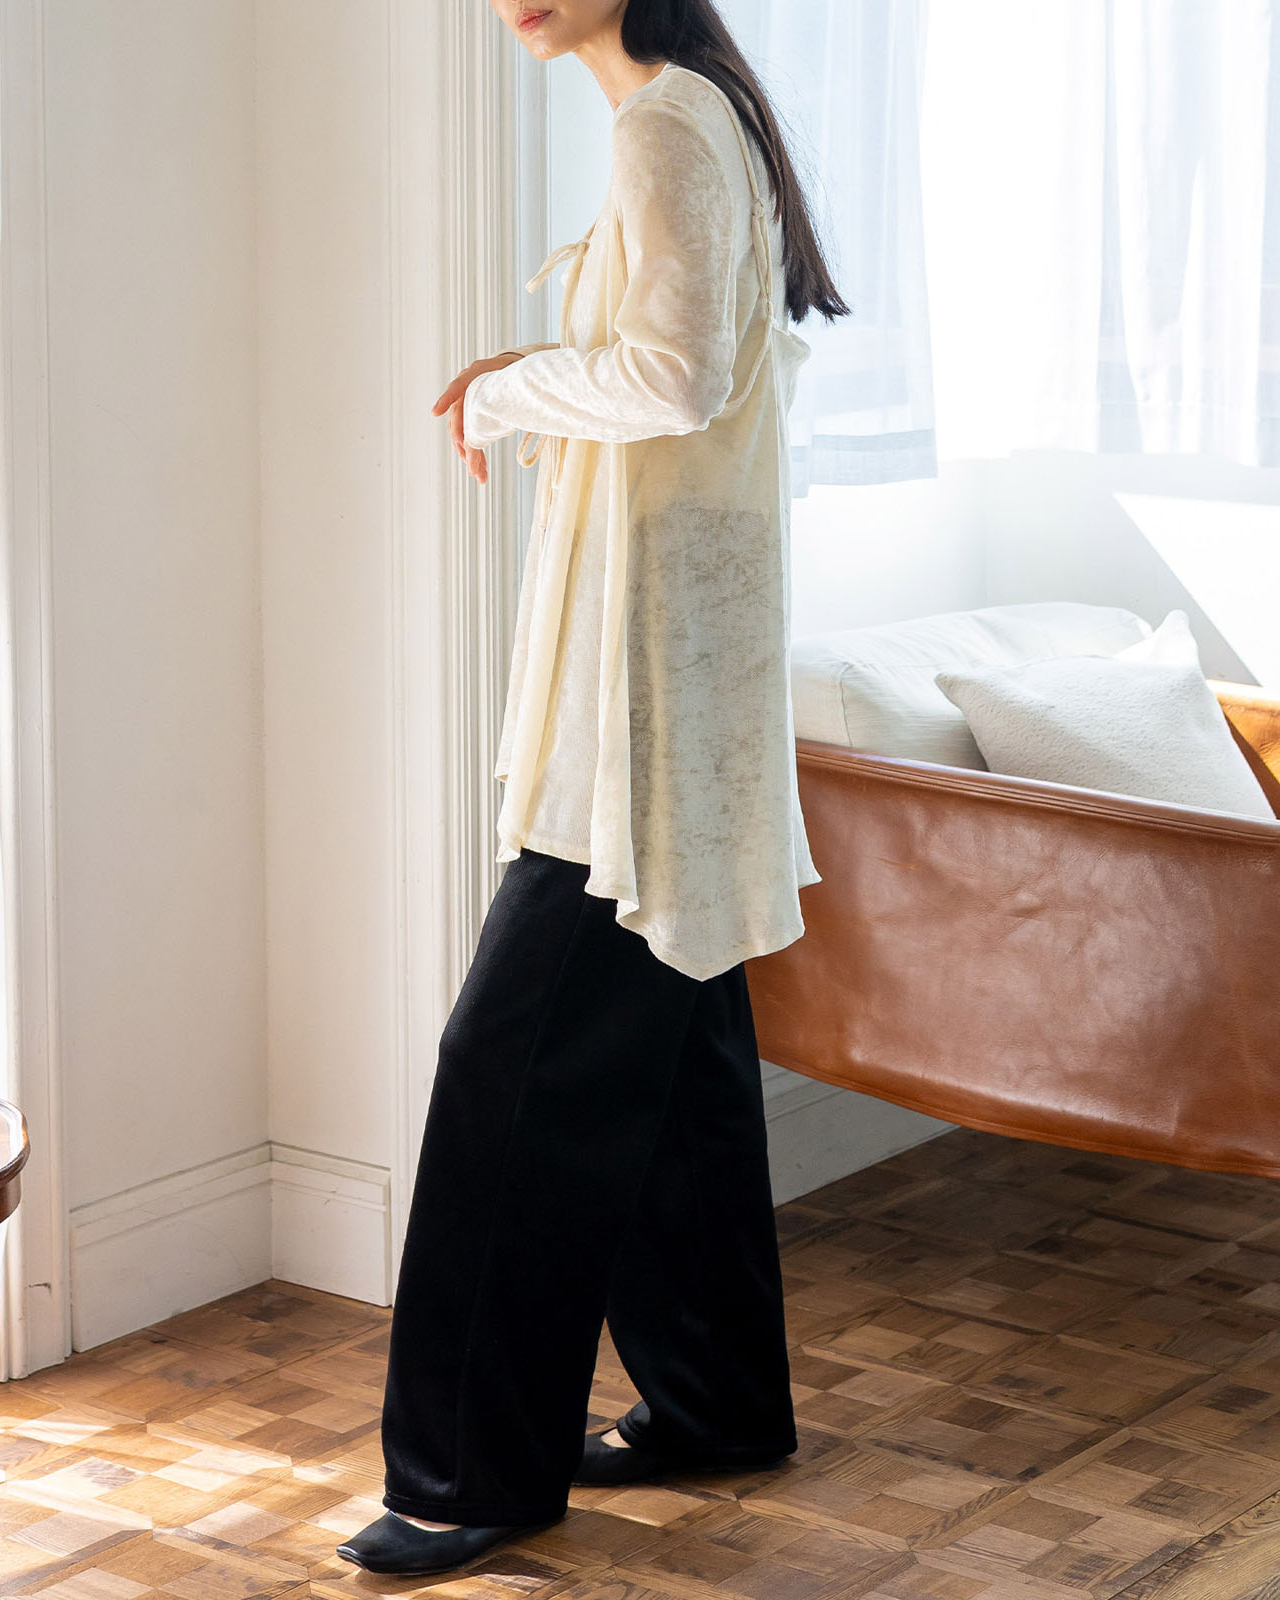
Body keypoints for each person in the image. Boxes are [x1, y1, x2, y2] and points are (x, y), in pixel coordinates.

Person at [337, 0, 850, 1578]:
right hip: (679, 669)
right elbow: (684, 367)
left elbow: (674, 379)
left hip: (645, 692)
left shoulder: (664, 118)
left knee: (509, 1065)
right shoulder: (694, 109)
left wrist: (506, 393)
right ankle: (712, 1403)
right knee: (675, 1050)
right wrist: (534, 371)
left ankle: (467, 1475)